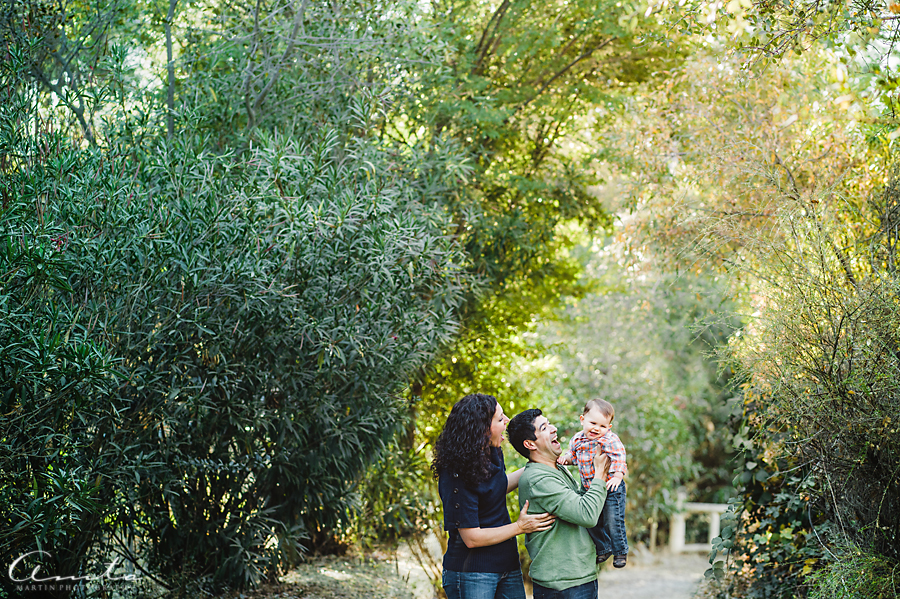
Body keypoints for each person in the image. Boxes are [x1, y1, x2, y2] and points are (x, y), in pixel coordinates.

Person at [432, 393, 557, 599]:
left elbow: (496, 488)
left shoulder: (491, 452)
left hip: (507, 564)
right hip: (472, 572)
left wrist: (545, 463)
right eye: (500, 419)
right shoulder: (455, 473)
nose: (507, 421)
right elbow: (471, 538)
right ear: (482, 428)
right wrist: (520, 527)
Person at [506, 408, 610, 599]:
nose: (554, 429)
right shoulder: (538, 479)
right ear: (530, 444)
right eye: (544, 427)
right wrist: (600, 475)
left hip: (578, 577)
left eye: (549, 423)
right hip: (562, 584)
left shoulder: (557, 468)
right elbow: (587, 514)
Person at [557, 398, 629, 568]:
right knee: (589, 519)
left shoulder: (609, 440)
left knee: (613, 520)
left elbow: (619, 456)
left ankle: (620, 551)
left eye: (603, 426)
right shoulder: (577, 440)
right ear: (583, 420)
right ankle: (604, 547)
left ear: (609, 428)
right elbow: (573, 456)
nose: (597, 428)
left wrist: (618, 476)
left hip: (611, 486)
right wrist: (566, 459)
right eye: (593, 423)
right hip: (588, 487)